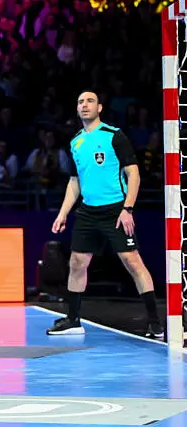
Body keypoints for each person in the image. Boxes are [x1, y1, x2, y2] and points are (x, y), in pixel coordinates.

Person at [48, 91, 163, 339]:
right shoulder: (76, 142)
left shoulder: (114, 136)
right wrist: (63, 213)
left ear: (99, 108)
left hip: (116, 209)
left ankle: (155, 323)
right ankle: (73, 320)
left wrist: (128, 209)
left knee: (132, 261)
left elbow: (134, 174)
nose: (84, 105)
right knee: (77, 262)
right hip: (88, 211)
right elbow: (74, 181)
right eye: (80, 102)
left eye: (90, 101)